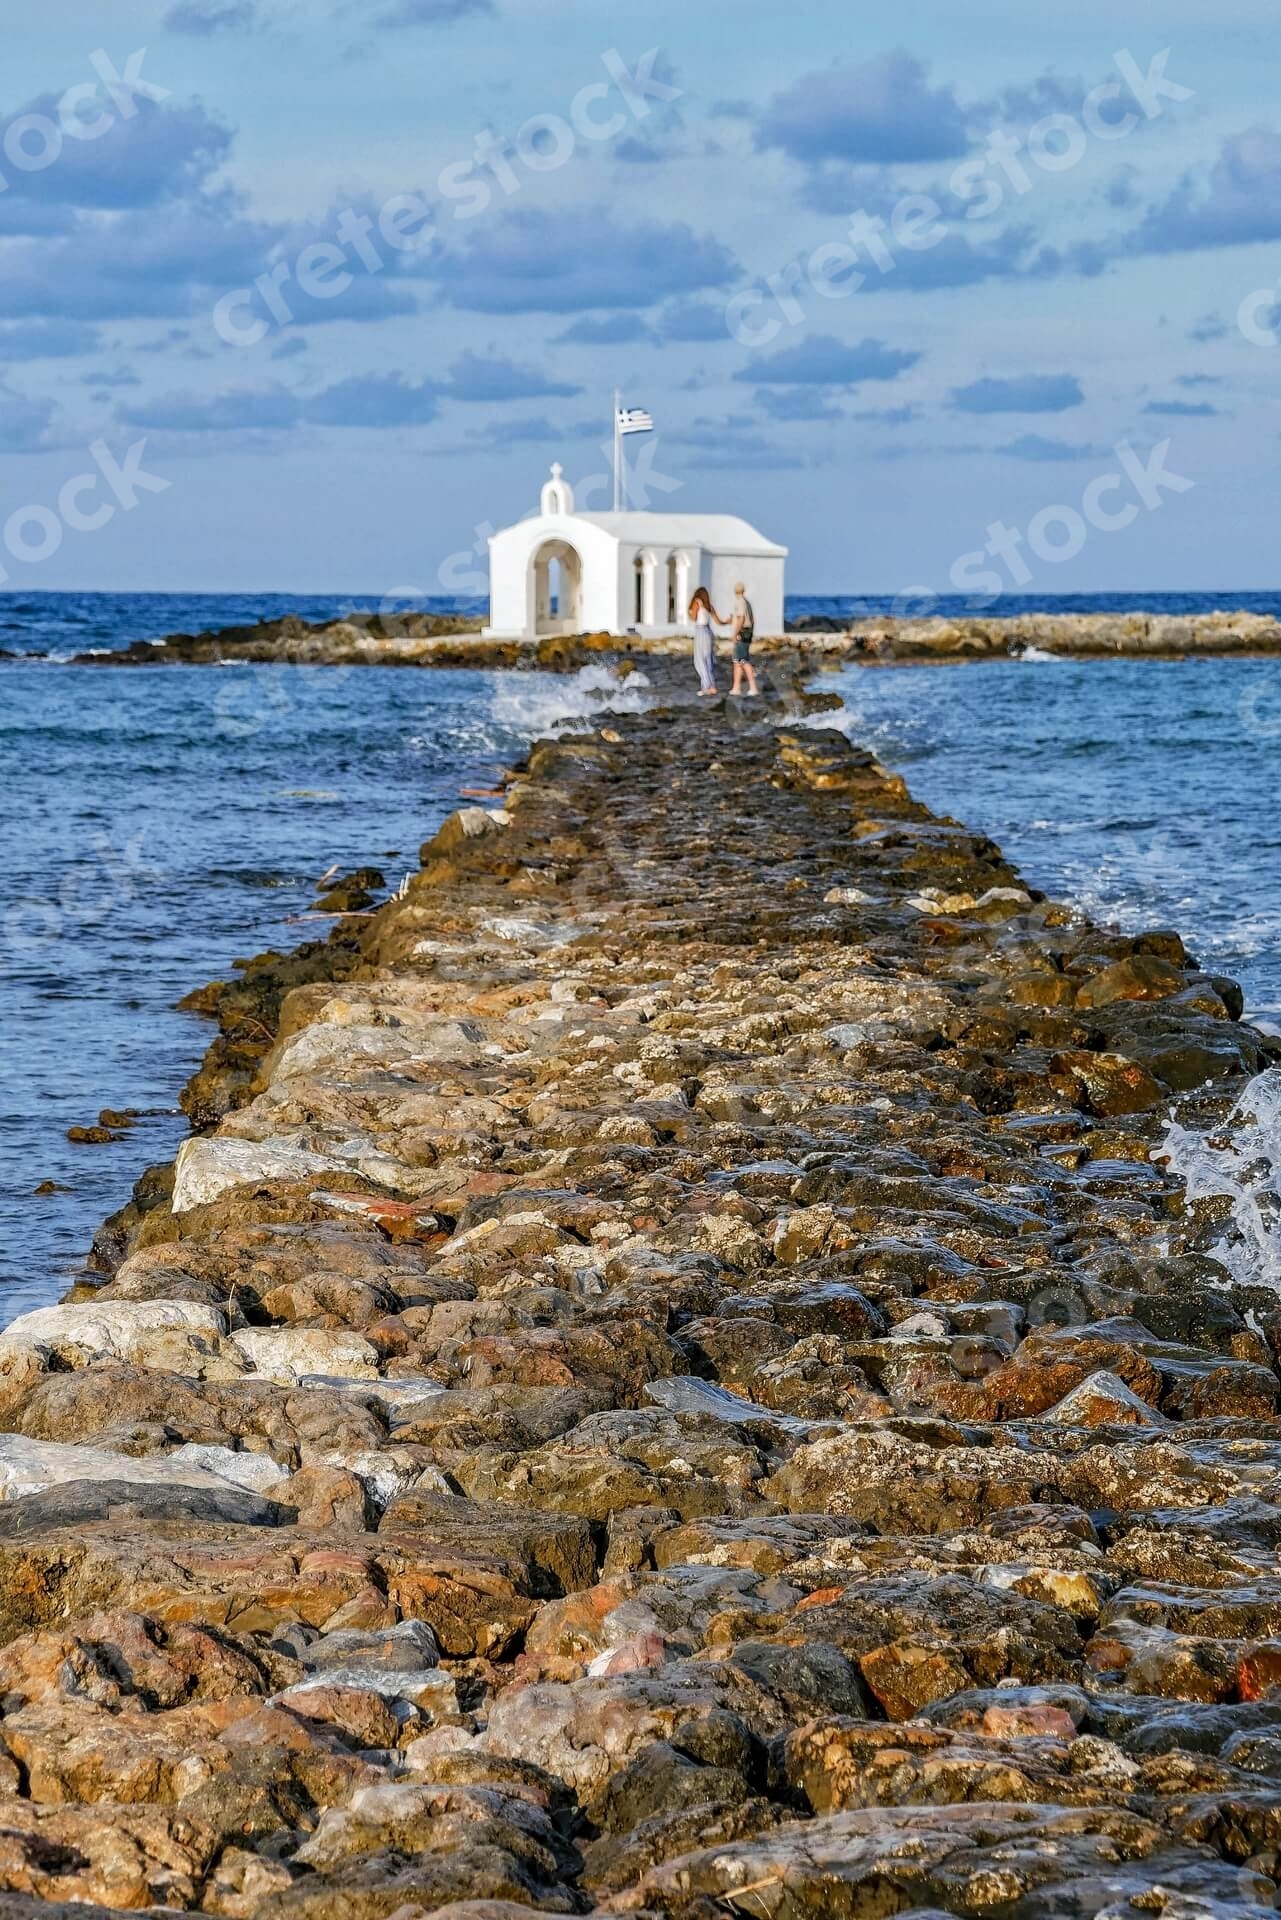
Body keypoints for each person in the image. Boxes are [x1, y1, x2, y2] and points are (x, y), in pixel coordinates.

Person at [688, 586, 724, 696]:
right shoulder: (709, 606)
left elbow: (694, 617)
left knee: (699, 661)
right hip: (708, 631)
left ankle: (706, 686)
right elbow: (718, 621)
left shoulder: (697, 602)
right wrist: (728, 621)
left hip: (700, 631)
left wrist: (690, 612)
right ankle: (711, 685)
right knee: (708, 660)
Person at [729, 582, 759, 697]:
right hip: (748, 632)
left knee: (743, 661)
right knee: (738, 661)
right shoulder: (747, 602)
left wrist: (735, 633)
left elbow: (741, 618)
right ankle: (736, 687)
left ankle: (753, 687)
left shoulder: (740, 602)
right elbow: (753, 620)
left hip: (743, 632)